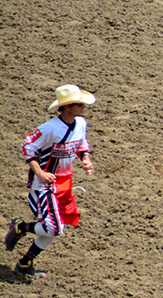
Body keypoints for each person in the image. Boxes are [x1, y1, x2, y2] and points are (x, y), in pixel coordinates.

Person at [6, 84, 96, 280]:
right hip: (44, 186)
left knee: (55, 229)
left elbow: (81, 143)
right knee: (54, 228)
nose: (83, 107)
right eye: (79, 104)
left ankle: (25, 263)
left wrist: (86, 159)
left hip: (65, 183)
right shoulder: (49, 128)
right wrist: (39, 172)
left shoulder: (81, 123)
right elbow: (28, 146)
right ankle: (21, 228)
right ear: (67, 107)